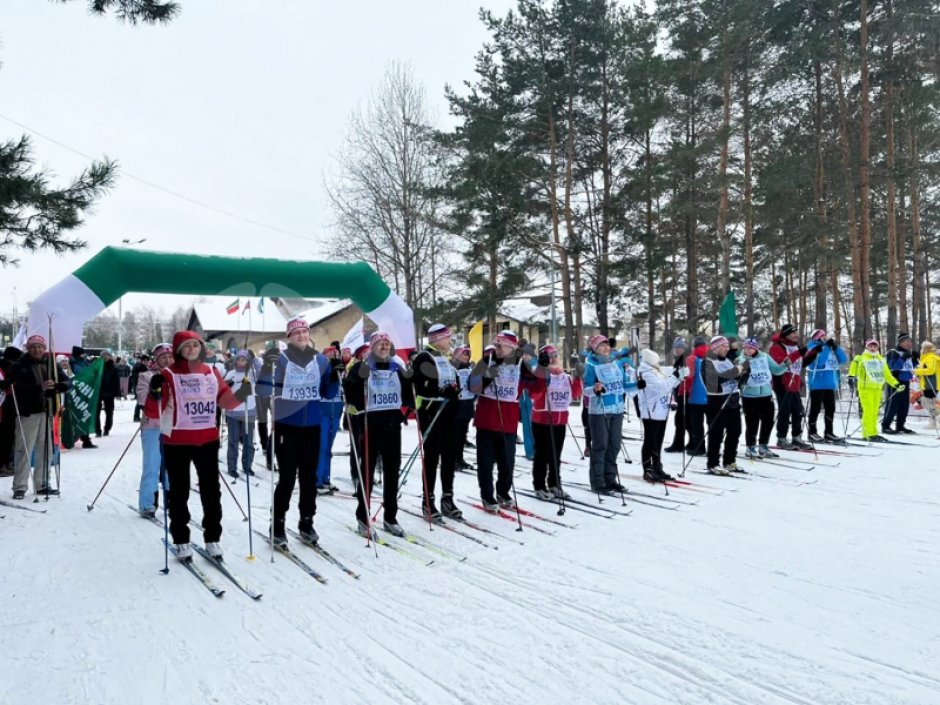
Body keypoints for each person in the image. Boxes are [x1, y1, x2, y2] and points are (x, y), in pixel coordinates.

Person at [154, 331, 251, 561]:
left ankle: (212, 538)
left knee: (211, 491)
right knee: (179, 491)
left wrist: (242, 393)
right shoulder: (168, 373)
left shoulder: (211, 371)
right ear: (178, 350)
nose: (191, 350)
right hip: (177, 441)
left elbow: (225, 400)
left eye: (195, 345)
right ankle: (181, 539)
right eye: (186, 347)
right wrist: (154, 391)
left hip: (207, 439)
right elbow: (152, 409)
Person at [344, 331, 414, 538]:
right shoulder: (362, 365)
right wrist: (359, 375)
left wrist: (413, 376)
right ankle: (363, 518)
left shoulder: (396, 365)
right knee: (367, 471)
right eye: (380, 344)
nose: (384, 347)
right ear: (372, 346)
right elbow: (350, 392)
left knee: (392, 472)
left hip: (392, 424)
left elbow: (408, 394)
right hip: (369, 424)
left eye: (387, 343)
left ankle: (390, 517)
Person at [469, 330, 537, 510]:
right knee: (485, 462)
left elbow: (536, 390)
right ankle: (487, 496)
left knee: (507, 462)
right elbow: (472, 387)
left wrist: (540, 368)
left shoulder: (521, 365)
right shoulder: (486, 361)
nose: (497, 348)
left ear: (512, 347)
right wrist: (486, 376)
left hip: (508, 420)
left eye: (501, 345)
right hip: (486, 419)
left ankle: (503, 492)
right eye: (496, 344)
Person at [411, 323, 462, 520]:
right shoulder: (425, 357)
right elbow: (421, 384)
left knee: (449, 458)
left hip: (448, 414)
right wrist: (440, 390)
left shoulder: (445, 359)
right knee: (432, 458)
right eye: (447, 337)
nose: (450, 340)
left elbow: (452, 382)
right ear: (436, 339)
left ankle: (447, 499)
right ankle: (428, 500)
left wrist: (454, 390)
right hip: (431, 414)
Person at [11, 335, 69, 499]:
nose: (37, 350)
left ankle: (42, 484)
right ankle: (20, 487)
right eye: (33, 347)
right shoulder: (20, 364)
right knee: (24, 449)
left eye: (40, 347)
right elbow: (18, 388)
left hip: (47, 411)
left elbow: (67, 381)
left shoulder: (50, 362)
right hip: (28, 413)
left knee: (46, 449)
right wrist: (40, 388)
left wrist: (59, 386)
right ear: (28, 348)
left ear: (44, 348)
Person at [582, 334, 637, 493]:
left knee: (614, 445)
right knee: (601, 446)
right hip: (600, 411)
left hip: (618, 409)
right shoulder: (590, 365)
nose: (606, 348)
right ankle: (598, 482)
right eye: (601, 346)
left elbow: (624, 386)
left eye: (607, 345)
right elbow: (586, 390)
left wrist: (638, 385)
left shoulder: (616, 363)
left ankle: (610, 479)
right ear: (594, 348)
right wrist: (595, 389)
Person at [529, 344, 582, 498]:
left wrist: (578, 377)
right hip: (542, 420)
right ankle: (539, 485)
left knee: (555, 455)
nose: (553, 359)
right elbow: (534, 395)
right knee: (542, 455)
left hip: (560, 419)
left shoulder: (564, 375)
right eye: (549, 357)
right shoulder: (539, 374)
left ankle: (554, 484)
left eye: (555, 356)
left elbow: (575, 394)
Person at [636, 348, 685, 482]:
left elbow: (668, 385)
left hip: (661, 410)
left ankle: (657, 466)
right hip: (650, 411)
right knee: (650, 441)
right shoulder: (645, 372)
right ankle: (648, 469)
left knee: (658, 441)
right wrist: (676, 377)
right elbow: (660, 387)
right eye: (655, 359)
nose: (657, 361)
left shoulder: (656, 370)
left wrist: (679, 376)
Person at [136, 343, 172, 517]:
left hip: (174, 427)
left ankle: (173, 499)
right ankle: (147, 503)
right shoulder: (146, 375)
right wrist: (153, 390)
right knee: (152, 465)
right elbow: (142, 398)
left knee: (172, 466)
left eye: (170, 357)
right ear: (156, 359)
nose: (167, 360)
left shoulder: (178, 375)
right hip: (152, 426)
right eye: (163, 357)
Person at [769, 324, 817, 449]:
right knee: (785, 411)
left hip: (794, 383)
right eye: (793, 333)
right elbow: (782, 363)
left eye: (796, 333)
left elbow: (801, 363)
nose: (796, 335)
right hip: (782, 383)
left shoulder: (795, 346)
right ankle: (781, 438)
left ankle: (796, 437)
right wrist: (799, 352)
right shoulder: (777, 346)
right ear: (786, 335)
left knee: (799, 411)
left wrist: (813, 353)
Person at [738, 337, 787, 459]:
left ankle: (763, 446)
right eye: (746, 348)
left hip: (766, 394)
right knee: (752, 422)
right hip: (749, 395)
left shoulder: (765, 357)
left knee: (768, 421)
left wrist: (785, 364)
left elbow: (776, 370)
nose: (748, 350)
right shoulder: (740, 359)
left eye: (751, 348)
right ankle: (750, 447)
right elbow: (736, 375)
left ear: (756, 348)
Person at [702, 336, 744, 475]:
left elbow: (737, 379)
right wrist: (735, 372)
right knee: (716, 434)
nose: (727, 349)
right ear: (715, 347)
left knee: (735, 432)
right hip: (717, 401)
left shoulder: (727, 360)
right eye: (723, 346)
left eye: (727, 346)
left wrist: (744, 373)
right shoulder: (707, 362)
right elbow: (713, 382)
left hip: (733, 400)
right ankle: (713, 463)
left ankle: (729, 461)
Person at [848, 339, 903, 443]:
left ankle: (873, 432)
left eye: (875, 346)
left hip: (877, 389)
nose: (873, 348)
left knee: (874, 412)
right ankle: (867, 433)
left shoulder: (881, 360)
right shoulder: (861, 358)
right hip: (865, 388)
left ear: (877, 347)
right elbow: (853, 369)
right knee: (868, 411)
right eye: (870, 346)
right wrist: (851, 377)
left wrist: (896, 384)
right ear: (867, 347)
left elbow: (887, 375)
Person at [805, 330, 848, 442]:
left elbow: (843, 360)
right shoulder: (812, 347)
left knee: (831, 408)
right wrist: (827, 348)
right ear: (817, 337)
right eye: (822, 336)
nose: (825, 337)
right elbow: (820, 362)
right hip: (817, 383)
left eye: (825, 335)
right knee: (816, 408)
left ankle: (829, 432)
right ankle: (812, 432)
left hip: (829, 383)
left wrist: (835, 347)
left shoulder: (828, 348)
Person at [223, 350, 257, 480]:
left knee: (248, 442)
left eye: (244, 360)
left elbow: (261, 371)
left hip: (249, 410)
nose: (241, 362)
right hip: (233, 412)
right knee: (234, 441)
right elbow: (223, 389)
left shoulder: (252, 373)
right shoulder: (231, 374)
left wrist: (254, 359)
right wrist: (227, 385)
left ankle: (247, 465)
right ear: (235, 360)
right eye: (239, 359)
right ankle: (232, 467)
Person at [316, 342, 345, 494]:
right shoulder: (321, 370)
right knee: (322, 446)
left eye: (336, 356)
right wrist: (332, 376)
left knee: (329, 448)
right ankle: (317, 480)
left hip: (336, 409)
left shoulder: (341, 371)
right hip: (323, 410)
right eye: (330, 356)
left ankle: (326, 478)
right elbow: (322, 390)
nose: (334, 358)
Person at [883, 333, 918, 435]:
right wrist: (902, 358)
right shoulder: (893, 352)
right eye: (907, 341)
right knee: (893, 404)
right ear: (901, 342)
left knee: (904, 405)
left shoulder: (907, 353)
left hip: (906, 381)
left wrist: (915, 359)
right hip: (895, 381)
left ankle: (900, 426)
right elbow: (892, 366)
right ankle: (885, 425)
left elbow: (909, 367)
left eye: (910, 341)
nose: (909, 343)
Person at [451, 345, 476, 472]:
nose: (465, 357)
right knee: (455, 435)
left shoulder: (470, 368)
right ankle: (453, 459)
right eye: (463, 354)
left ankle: (459, 458)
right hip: (456, 406)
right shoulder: (453, 368)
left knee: (462, 434)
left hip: (467, 404)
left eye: (467, 355)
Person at [255, 341, 279, 469]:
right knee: (263, 421)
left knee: (276, 427)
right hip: (263, 395)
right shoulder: (264, 363)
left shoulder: (281, 362)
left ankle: (271, 453)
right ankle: (265, 446)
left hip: (276, 397)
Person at [664, 338, 690, 453]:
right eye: (674, 348)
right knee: (683, 420)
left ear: (682, 348)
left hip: (685, 393)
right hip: (681, 392)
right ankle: (688, 442)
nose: (675, 350)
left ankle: (680, 444)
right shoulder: (680, 359)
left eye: (677, 348)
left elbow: (686, 376)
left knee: (681, 420)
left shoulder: (685, 359)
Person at [684, 336, 709, 456]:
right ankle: (713, 449)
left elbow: (689, 377)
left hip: (696, 396)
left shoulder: (692, 358)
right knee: (712, 424)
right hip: (712, 396)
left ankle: (700, 448)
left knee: (697, 425)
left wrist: (685, 391)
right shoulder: (712, 356)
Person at [69, 346, 96, 448]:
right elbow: (79, 374)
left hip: (86, 392)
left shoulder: (84, 362)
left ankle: (85, 439)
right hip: (77, 393)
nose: (84, 355)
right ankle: (74, 437)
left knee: (85, 415)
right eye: (82, 353)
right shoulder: (73, 363)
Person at [96, 349, 121, 437]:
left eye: (106, 355)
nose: (105, 357)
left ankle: (107, 429)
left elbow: (116, 381)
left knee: (109, 412)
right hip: (98, 392)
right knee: (96, 412)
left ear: (109, 357)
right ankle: (97, 430)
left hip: (109, 392)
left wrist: (117, 393)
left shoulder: (113, 368)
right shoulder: (97, 366)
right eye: (103, 356)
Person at [914, 341, 938, 429]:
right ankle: (933, 422)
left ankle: (936, 418)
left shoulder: (929, 357)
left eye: (922, 348)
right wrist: (919, 373)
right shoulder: (927, 357)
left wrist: (917, 371)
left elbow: (930, 370)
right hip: (929, 383)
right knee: (930, 402)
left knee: (926, 401)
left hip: (930, 384)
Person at [518, 343, 536, 461]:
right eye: (523, 354)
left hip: (533, 399)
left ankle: (534, 450)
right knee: (527, 426)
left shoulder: (535, 364)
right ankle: (530, 451)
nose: (524, 356)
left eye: (526, 354)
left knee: (533, 426)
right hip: (524, 399)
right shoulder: (522, 364)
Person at [130, 354, 149, 423]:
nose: (146, 362)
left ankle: (140, 416)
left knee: (141, 401)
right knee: (139, 402)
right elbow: (134, 376)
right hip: (138, 385)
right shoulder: (138, 367)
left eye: (147, 361)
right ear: (142, 361)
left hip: (145, 386)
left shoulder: (146, 368)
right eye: (145, 361)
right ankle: (136, 416)